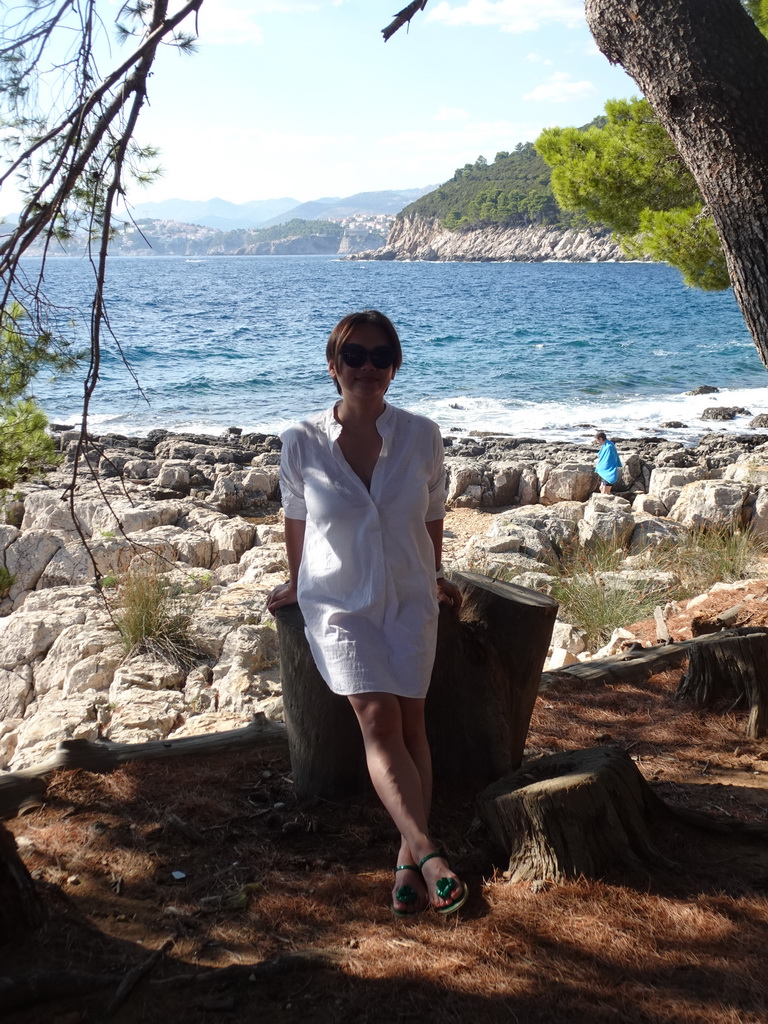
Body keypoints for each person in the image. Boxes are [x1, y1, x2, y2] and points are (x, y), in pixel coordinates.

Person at [266, 310, 468, 918]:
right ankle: (431, 854)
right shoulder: (301, 441)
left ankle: (406, 859)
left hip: (409, 594)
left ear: (395, 366)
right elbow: (295, 520)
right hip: (340, 600)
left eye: (382, 357)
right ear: (334, 365)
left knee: (413, 724)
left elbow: (432, 514)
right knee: (378, 718)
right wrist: (297, 584)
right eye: (355, 356)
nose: (369, 367)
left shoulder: (422, 435)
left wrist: (435, 575)